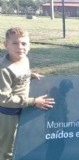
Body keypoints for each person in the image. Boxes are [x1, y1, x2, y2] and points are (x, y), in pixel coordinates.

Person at [0, 27, 55, 160]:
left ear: (29, 46)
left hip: (24, 110)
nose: (20, 47)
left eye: (24, 43)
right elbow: (4, 99)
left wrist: (30, 75)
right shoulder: (4, 70)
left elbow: (19, 76)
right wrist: (33, 101)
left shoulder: (24, 59)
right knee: (8, 148)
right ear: (6, 45)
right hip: (9, 115)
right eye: (15, 43)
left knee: (23, 142)